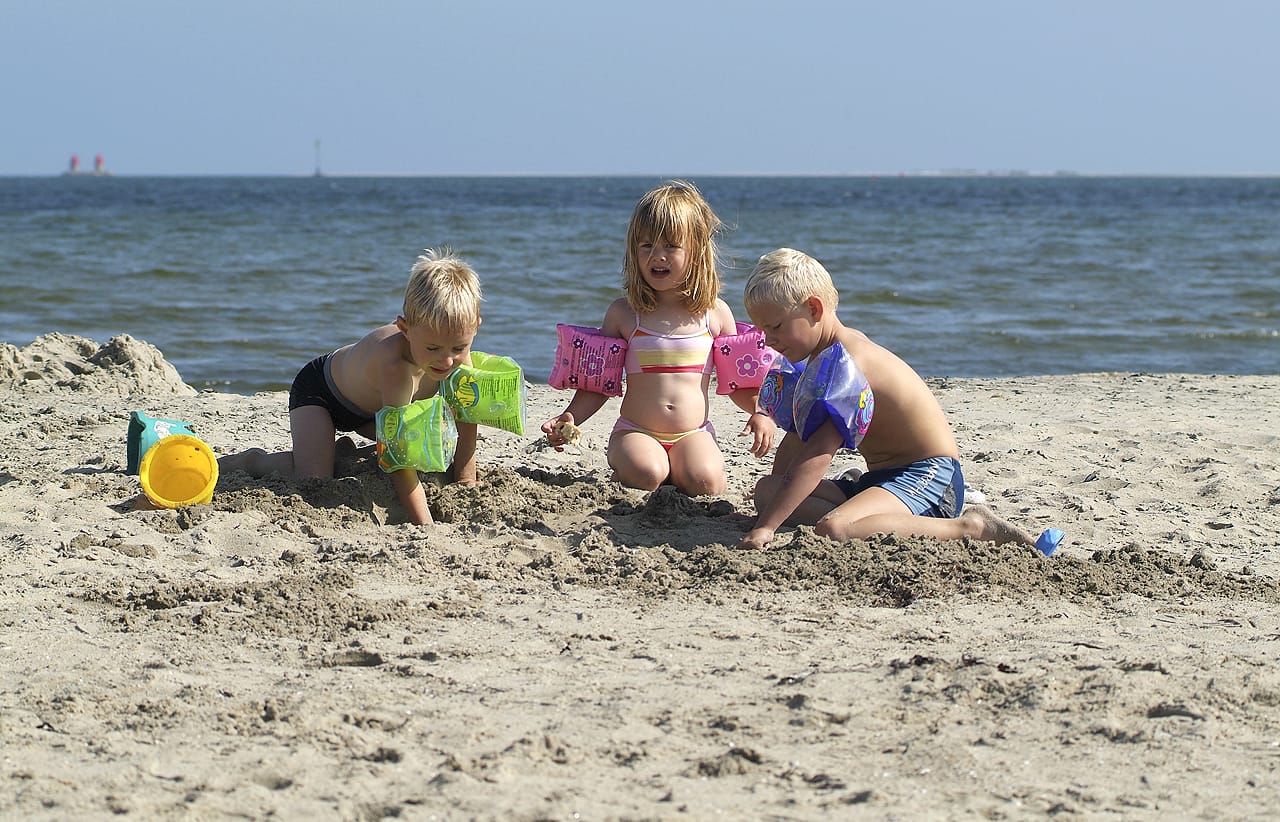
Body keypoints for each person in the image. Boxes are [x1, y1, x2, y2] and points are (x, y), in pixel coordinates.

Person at [737, 248, 1063, 554]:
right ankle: (866, 512)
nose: (769, 340)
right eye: (763, 331)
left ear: (814, 309)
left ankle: (972, 527)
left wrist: (767, 528)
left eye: (775, 327)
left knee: (834, 529)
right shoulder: (819, 358)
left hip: (931, 477)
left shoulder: (847, 365)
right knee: (767, 491)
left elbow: (818, 454)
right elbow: (798, 438)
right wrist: (771, 509)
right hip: (879, 479)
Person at [541, 181, 774, 495]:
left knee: (706, 482)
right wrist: (570, 416)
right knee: (649, 472)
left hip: (693, 433)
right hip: (636, 432)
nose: (657, 256)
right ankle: (640, 468)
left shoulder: (715, 314)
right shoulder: (624, 314)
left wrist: (760, 412)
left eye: (670, 246)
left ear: (696, 252)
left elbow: (738, 384)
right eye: (647, 246)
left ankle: (680, 470)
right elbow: (597, 386)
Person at [219, 248, 482, 525]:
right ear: (404, 328)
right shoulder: (396, 369)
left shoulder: (457, 357)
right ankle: (251, 461)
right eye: (432, 348)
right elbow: (398, 461)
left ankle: (340, 453)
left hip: (372, 410)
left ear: (475, 327)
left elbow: (467, 413)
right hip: (322, 395)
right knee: (314, 479)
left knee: (431, 440)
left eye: (458, 347)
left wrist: (465, 477)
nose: (447, 359)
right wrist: (425, 525)